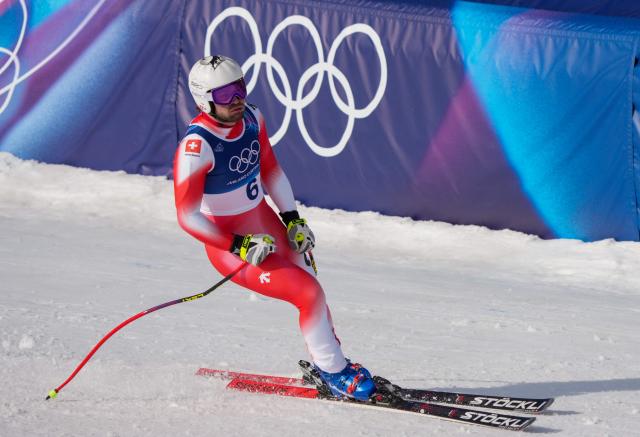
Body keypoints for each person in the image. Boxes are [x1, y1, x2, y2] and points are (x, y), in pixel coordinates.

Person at [173, 55, 375, 401]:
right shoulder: (197, 147)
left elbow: (271, 171)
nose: (236, 100)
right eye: (224, 95)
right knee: (307, 294)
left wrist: (292, 219)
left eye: (239, 88)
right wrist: (238, 245)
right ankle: (334, 371)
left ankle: (328, 354)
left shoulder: (253, 118)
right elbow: (187, 216)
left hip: (264, 221)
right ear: (204, 100)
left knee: (312, 287)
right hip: (231, 245)